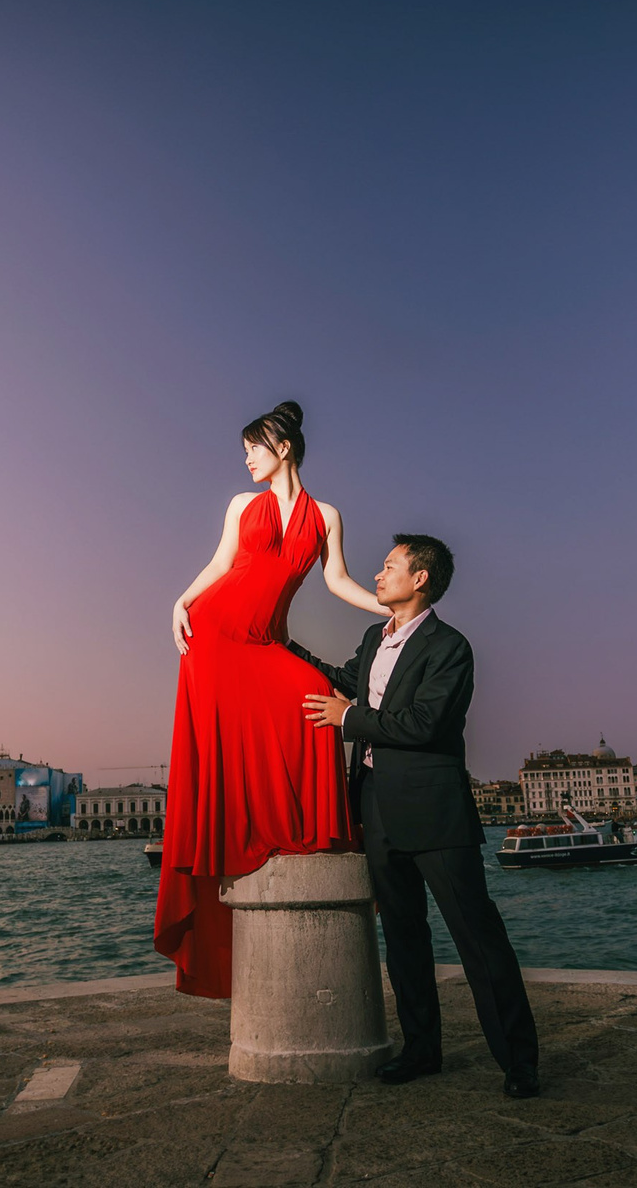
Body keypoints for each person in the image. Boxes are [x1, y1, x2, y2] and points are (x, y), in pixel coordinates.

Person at [155, 401, 388, 999]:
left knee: (316, 693)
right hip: (213, 635)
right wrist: (181, 601)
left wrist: (390, 606)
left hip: (264, 641)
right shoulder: (242, 505)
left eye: (254, 448)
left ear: (283, 448)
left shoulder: (325, 516)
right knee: (232, 742)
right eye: (245, 452)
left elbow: (336, 580)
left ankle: (304, 830)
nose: (247, 459)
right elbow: (221, 563)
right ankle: (249, 832)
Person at [298, 535, 541, 1099]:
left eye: (389, 567)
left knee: (477, 938)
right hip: (376, 807)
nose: (378, 575)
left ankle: (519, 1061)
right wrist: (283, 647)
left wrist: (349, 719)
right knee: (403, 937)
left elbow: (423, 724)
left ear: (420, 578)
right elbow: (342, 680)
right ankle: (421, 1050)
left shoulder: (450, 647)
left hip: (436, 813)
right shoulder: (373, 638)